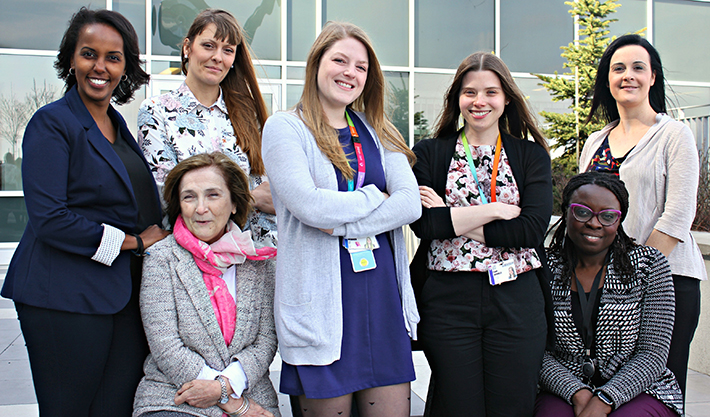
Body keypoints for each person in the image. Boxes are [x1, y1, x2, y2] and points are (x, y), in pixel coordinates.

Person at [0, 8, 169, 416]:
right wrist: (136, 242)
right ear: (71, 59)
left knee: (115, 408)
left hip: (121, 296)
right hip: (62, 295)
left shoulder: (116, 124)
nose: (101, 66)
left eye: (114, 57)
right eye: (89, 54)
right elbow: (50, 218)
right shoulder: (51, 123)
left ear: (125, 66)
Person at [261, 21, 421, 417]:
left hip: (383, 303)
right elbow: (310, 206)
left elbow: (409, 204)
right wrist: (371, 195)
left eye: (361, 67)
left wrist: (345, 225)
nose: (350, 73)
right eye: (340, 60)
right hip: (323, 312)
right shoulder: (285, 128)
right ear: (317, 63)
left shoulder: (378, 130)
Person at [410, 51, 553, 416]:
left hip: (516, 299)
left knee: (513, 404)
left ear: (506, 98)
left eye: (491, 92)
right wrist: (492, 211)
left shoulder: (531, 156)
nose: (479, 101)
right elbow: (424, 224)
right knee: (457, 405)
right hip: (448, 300)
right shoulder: (430, 153)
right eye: (469, 92)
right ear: (457, 98)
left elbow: (532, 229)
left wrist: (452, 218)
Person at [580, 34, 706, 404]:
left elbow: (678, 216)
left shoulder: (674, 135)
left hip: (666, 283)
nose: (628, 76)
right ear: (607, 80)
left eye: (639, 67)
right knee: (611, 389)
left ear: (653, 77)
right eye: (618, 68)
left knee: (659, 392)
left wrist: (631, 274)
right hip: (605, 287)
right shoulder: (595, 141)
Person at [133, 152, 279, 417]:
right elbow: (165, 344)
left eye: (213, 195)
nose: (201, 208)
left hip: (251, 396)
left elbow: (266, 341)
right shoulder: (161, 258)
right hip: (175, 398)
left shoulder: (260, 262)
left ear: (234, 203)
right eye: (189, 197)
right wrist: (226, 397)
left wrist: (227, 385)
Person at [536, 171, 683, 416]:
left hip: (640, 387)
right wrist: (577, 392)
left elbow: (652, 354)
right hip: (562, 387)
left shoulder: (649, 266)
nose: (594, 223)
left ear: (619, 220)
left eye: (607, 216)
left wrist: (605, 399)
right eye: (582, 212)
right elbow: (535, 350)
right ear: (566, 212)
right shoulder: (543, 267)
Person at [139, 8, 276, 246]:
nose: (218, 57)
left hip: (255, 254)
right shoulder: (156, 112)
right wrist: (249, 199)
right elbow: (165, 195)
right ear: (187, 47)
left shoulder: (247, 114)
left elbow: (268, 188)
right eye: (209, 46)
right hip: (194, 254)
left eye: (228, 50)